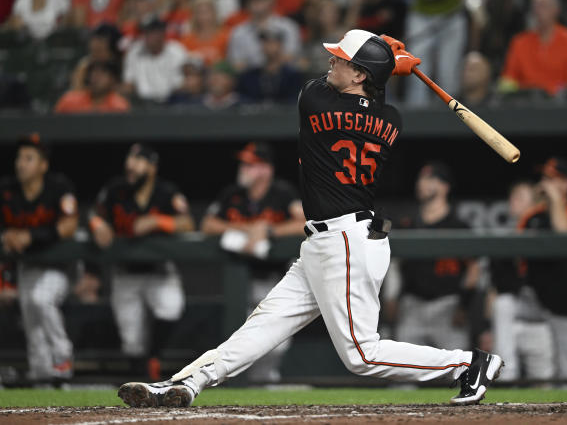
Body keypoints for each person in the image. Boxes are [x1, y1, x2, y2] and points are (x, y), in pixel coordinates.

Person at [118, 29, 503, 408]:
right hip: (329, 242)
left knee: (362, 356)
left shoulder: (317, 100)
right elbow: (372, 100)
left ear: (359, 75)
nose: (331, 61)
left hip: (347, 243)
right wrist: (384, 65)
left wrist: (386, 61)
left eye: (342, 59)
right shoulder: (392, 119)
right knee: (264, 325)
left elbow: (330, 87)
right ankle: (188, 381)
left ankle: (468, 364)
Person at [201, 142, 306, 382]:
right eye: (244, 164)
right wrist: (247, 229)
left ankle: (264, 382)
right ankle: (244, 386)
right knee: (238, 338)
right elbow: (207, 224)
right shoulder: (232, 194)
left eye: (250, 164)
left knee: (276, 342)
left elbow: (304, 222)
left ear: (265, 169)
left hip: (273, 280)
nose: (243, 169)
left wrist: (269, 230)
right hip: (238, 280)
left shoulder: (282, 193)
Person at [89, 144, 195, 381]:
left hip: (160, 270)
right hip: (125, 273)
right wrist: (98, 225)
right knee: (132, 341)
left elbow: (188, 223)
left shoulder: (166, 192)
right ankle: (140, 383)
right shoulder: (115, 190)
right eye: (130, 160)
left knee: (171, 307)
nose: (131, 166)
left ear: (152, 167)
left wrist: (157, 221)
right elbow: (94, 214)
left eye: (138, 161)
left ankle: (153, 358)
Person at [0, 133, 78, 383]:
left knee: (40, 299)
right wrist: (7, 235)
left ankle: (62, 356)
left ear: (43, 165)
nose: (21, 163)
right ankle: (43, 376)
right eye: (19, 158)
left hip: (59, 266)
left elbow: (69, 226)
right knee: (31, 321)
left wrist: (30, 236)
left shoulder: (59, 187)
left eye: (29, 158)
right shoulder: (7, 191)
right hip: (25, 267)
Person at [383, 163, 479, 352]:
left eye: (430, 179)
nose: (422, 183)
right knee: (403, 371)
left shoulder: (458, 227)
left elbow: (474, 270)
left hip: (448, 305)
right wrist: (391, 298)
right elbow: (394, 266)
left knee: (458, 369)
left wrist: (464, 305)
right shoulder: (407, 224)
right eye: (421, 179)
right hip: (412, 305)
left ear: (445, 186)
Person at [518, 157, 567, 383]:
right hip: (534, 305)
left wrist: (555, 199)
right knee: (539, 374)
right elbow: (517, 261)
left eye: (553, 179)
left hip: (566, 305)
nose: (545, 183)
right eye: (544, 178)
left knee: (566, 371)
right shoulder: (531, 216)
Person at [490, 181, 555, 382]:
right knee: (502, 304)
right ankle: (505, 377)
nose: (513, 201)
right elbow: (496, 287)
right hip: (512, 319)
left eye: (520, 197)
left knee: (544, 380)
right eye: (512, 196)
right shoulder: (505, 238)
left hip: (541, 320)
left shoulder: (546, 232)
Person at [499, 0, 567, 97]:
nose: (538, 10)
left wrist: (559, 96)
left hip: (560, 104)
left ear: (556, 9)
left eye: (543, 5)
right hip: (526, 103)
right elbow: (508, 80)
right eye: (535, 6)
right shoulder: (519, 43)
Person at [404, 0, 468, 106]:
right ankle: (416, 117)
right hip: (421, 14)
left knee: (448, 74)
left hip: (452, 13)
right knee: (418, 73)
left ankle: (449, 117)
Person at [122, 17, 188, 102]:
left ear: (162, 34)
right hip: (142, 103)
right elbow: (129, 82)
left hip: (172, 102)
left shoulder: (177, 51)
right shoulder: (135, 52)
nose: (147, 37)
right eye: (145, 33)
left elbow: (183, 83)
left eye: (151, 33)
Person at [226, 0, 301, 71]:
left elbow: (291, 58)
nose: (255, 1)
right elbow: (237, 66)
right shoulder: (238, 32)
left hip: (284, 78)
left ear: (273, 1)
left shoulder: (288, 27)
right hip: (250, 80)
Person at [236, 28, 303, 105]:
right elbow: (241, 98)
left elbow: (295, 100)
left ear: (280, 45)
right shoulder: (249, 76)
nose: (268, 46)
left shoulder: (292, 76)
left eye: (272, 42)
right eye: (264, 42)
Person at [55, 61, 131, 113]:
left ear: (112, 79)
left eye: (103, 72)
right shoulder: (68, 101)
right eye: (93, 72)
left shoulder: (119, 106)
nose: (96, 77)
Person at [70, 23, 122, 91]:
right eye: (93, 50)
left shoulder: (121, 65)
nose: (94, 45)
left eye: (100, 50)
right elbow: (76, 91)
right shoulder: (86, 64)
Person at [179, 0, 231, 66]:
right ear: (194, 15)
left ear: (214, 13)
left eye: (207, 12)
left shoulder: (227, 35)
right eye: (200, 12)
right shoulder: (186, 40)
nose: (204, 16)